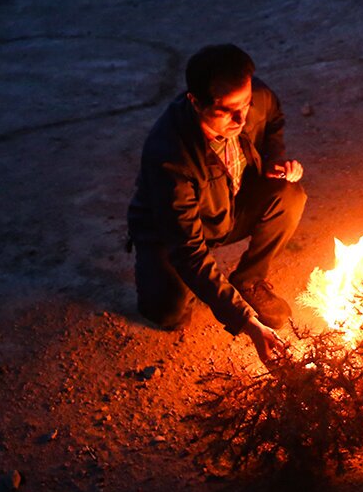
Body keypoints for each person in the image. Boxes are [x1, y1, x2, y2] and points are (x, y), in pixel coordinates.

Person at [127, 44, 307, 364]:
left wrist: (271, 160)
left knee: (290, 196)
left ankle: (248, 280)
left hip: (226, 206)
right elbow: (188, 249)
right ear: (195, 102)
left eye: (246, 104)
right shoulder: (171, 155)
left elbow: (273, 117)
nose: (241, 118)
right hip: (169, 231)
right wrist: (248, 325)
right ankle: (159, 279)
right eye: (226, 111)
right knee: (167, 312)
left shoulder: (252, 97)